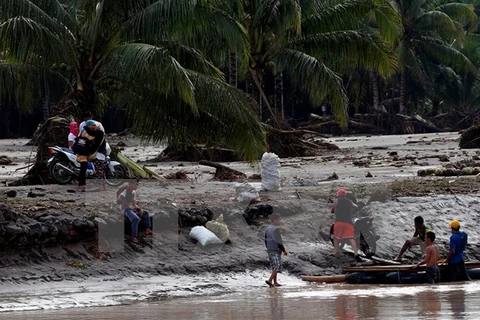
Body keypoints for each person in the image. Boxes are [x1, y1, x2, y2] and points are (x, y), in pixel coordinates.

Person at [331, 188, 361, 261]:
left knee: (336, 238)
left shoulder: (337, 201)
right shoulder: (349, 202)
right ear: (345, 195)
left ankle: (336, 253)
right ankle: (356, 253)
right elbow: (356, 206)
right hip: (348, 222)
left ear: (338, 195)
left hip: (339, 222)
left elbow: (332, 210)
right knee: (351, 238)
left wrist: (334, 209)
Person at [74, 120, 105, 190]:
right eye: (93, 125)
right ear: (89, 125)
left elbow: (92, 134)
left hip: (83, 151)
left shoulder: (95, 132)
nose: (94, 127)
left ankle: (83, 184)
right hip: (83, 152)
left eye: (95, 125)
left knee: (85, 168)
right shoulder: (85, 131)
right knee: (84, 168)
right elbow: (90, 136)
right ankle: (82, 184)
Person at [264, 212, 287, 287]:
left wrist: (268, 248)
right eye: (279, 220)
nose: (280, 221)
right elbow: (279, 241)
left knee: (274, 266)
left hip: (270, 249)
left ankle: (275, 282)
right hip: (275, 250)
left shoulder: (267, 228)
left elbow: (265, 240)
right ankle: (270, 280)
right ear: (274, 220)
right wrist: (284, 250)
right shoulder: (276, 229)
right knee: (277, 266)